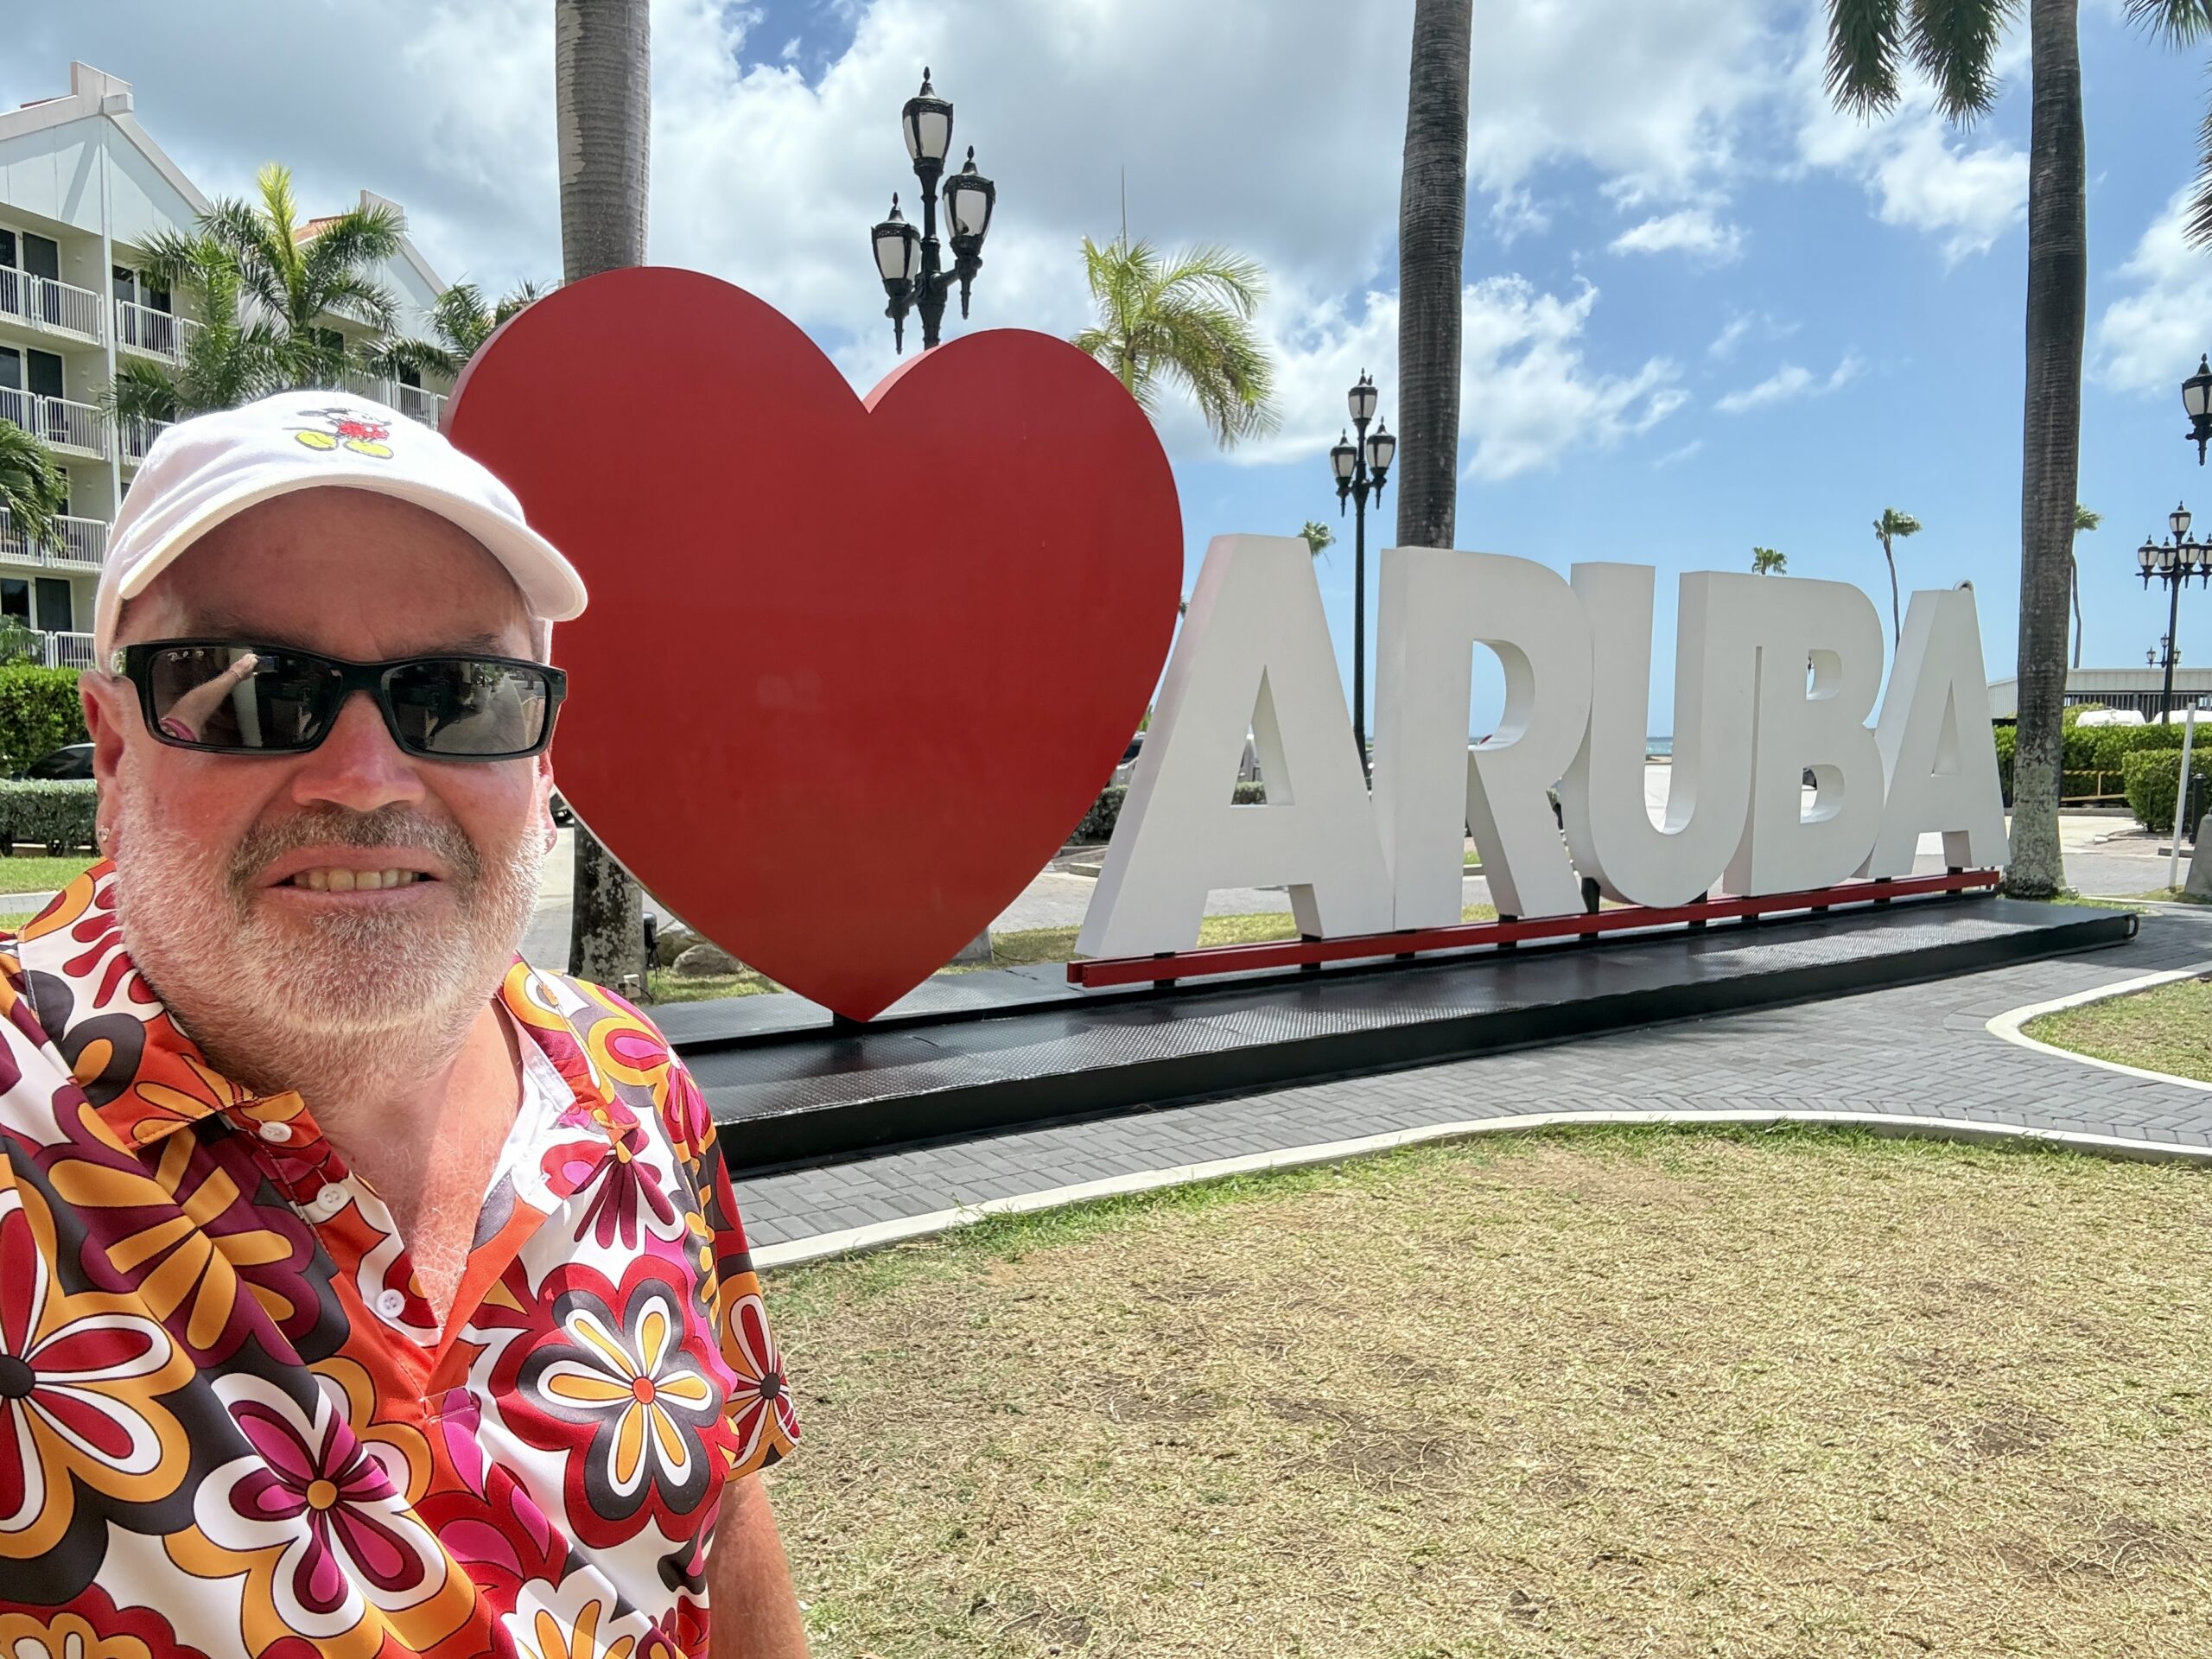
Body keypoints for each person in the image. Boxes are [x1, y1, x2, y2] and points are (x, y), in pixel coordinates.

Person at [0, 391, 806, 1658]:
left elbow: (723, 1522)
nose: (367, 777)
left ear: (540, 760)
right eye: (257, 693)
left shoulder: (628, 1083)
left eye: (456, 693)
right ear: (111, 748)